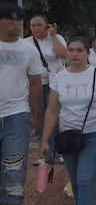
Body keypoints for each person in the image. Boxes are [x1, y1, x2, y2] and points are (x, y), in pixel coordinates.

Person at [41, 37, 96, 205]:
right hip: (68, 137)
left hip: (94, 133)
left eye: (79, 50)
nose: (74, 54)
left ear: (87, 53)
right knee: (76, 181)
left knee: (85, 178)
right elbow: (52, 110)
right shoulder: (59, 78)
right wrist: (44, 140)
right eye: (71, 50)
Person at [0, 4, 43, 205]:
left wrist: (35, 115)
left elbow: (35, 83)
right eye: (10, 20)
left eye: (19, 21)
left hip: (16, 114)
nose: (16, 24)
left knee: (14, 164)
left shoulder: (28, 50)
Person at [24, 14, 66, 165]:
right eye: (33, 26)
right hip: (36, 84)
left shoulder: (57, 38)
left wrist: (53, 36)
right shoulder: (26, 43)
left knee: (55, 117)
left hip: (55, 83)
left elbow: (63, 54)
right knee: (39, 117)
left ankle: (59, 151)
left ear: (47, 26)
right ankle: (45, 152)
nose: (36, 28)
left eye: (39, 25)